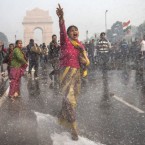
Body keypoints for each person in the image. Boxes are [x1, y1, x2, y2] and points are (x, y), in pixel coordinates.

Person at [56, 4, 90, 140]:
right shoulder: (66, 42)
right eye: (72, 30)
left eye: (76, 30)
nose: (75, 31)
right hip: (66, 73)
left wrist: (84, 60)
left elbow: (86, 62)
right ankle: (74, 127)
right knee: (69, 100)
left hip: (76, 75)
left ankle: (63, 116)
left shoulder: (80, 46)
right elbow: (62, 31)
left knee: (71, 101)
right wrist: (62, 19)